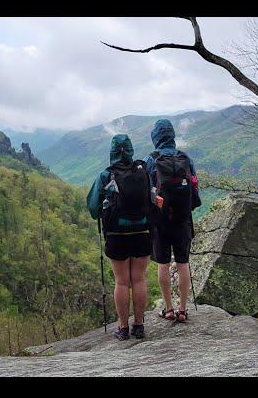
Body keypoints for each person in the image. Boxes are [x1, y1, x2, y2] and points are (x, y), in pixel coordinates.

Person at [86, 134, 154, 341]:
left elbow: (93, 208)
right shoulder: (143, 172)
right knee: (139, 279)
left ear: (113, 152)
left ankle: (123, 328)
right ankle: (139, 326)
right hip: (143, 232)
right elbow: (152, 198)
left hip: (117, 234)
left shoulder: (106, 175)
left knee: (122, 282)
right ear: (131, 150)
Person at [145, 119, 201, 323]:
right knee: (183, 263)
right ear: (172, 136)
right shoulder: (186, 159)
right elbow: (195, 191)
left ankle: (168, 309)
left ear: (156, 137)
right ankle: (183, 310)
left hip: (161, 222)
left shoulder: (151, 160)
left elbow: (147, 193)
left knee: (163, 264)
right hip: (183, 220)